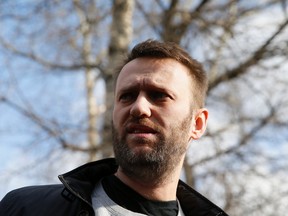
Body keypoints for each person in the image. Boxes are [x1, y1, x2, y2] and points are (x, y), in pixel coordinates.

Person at [0, 39, 228, 216]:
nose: (139, 108)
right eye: (127, 96)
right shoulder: (24, 209)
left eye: (159, 95)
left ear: (197, 124)